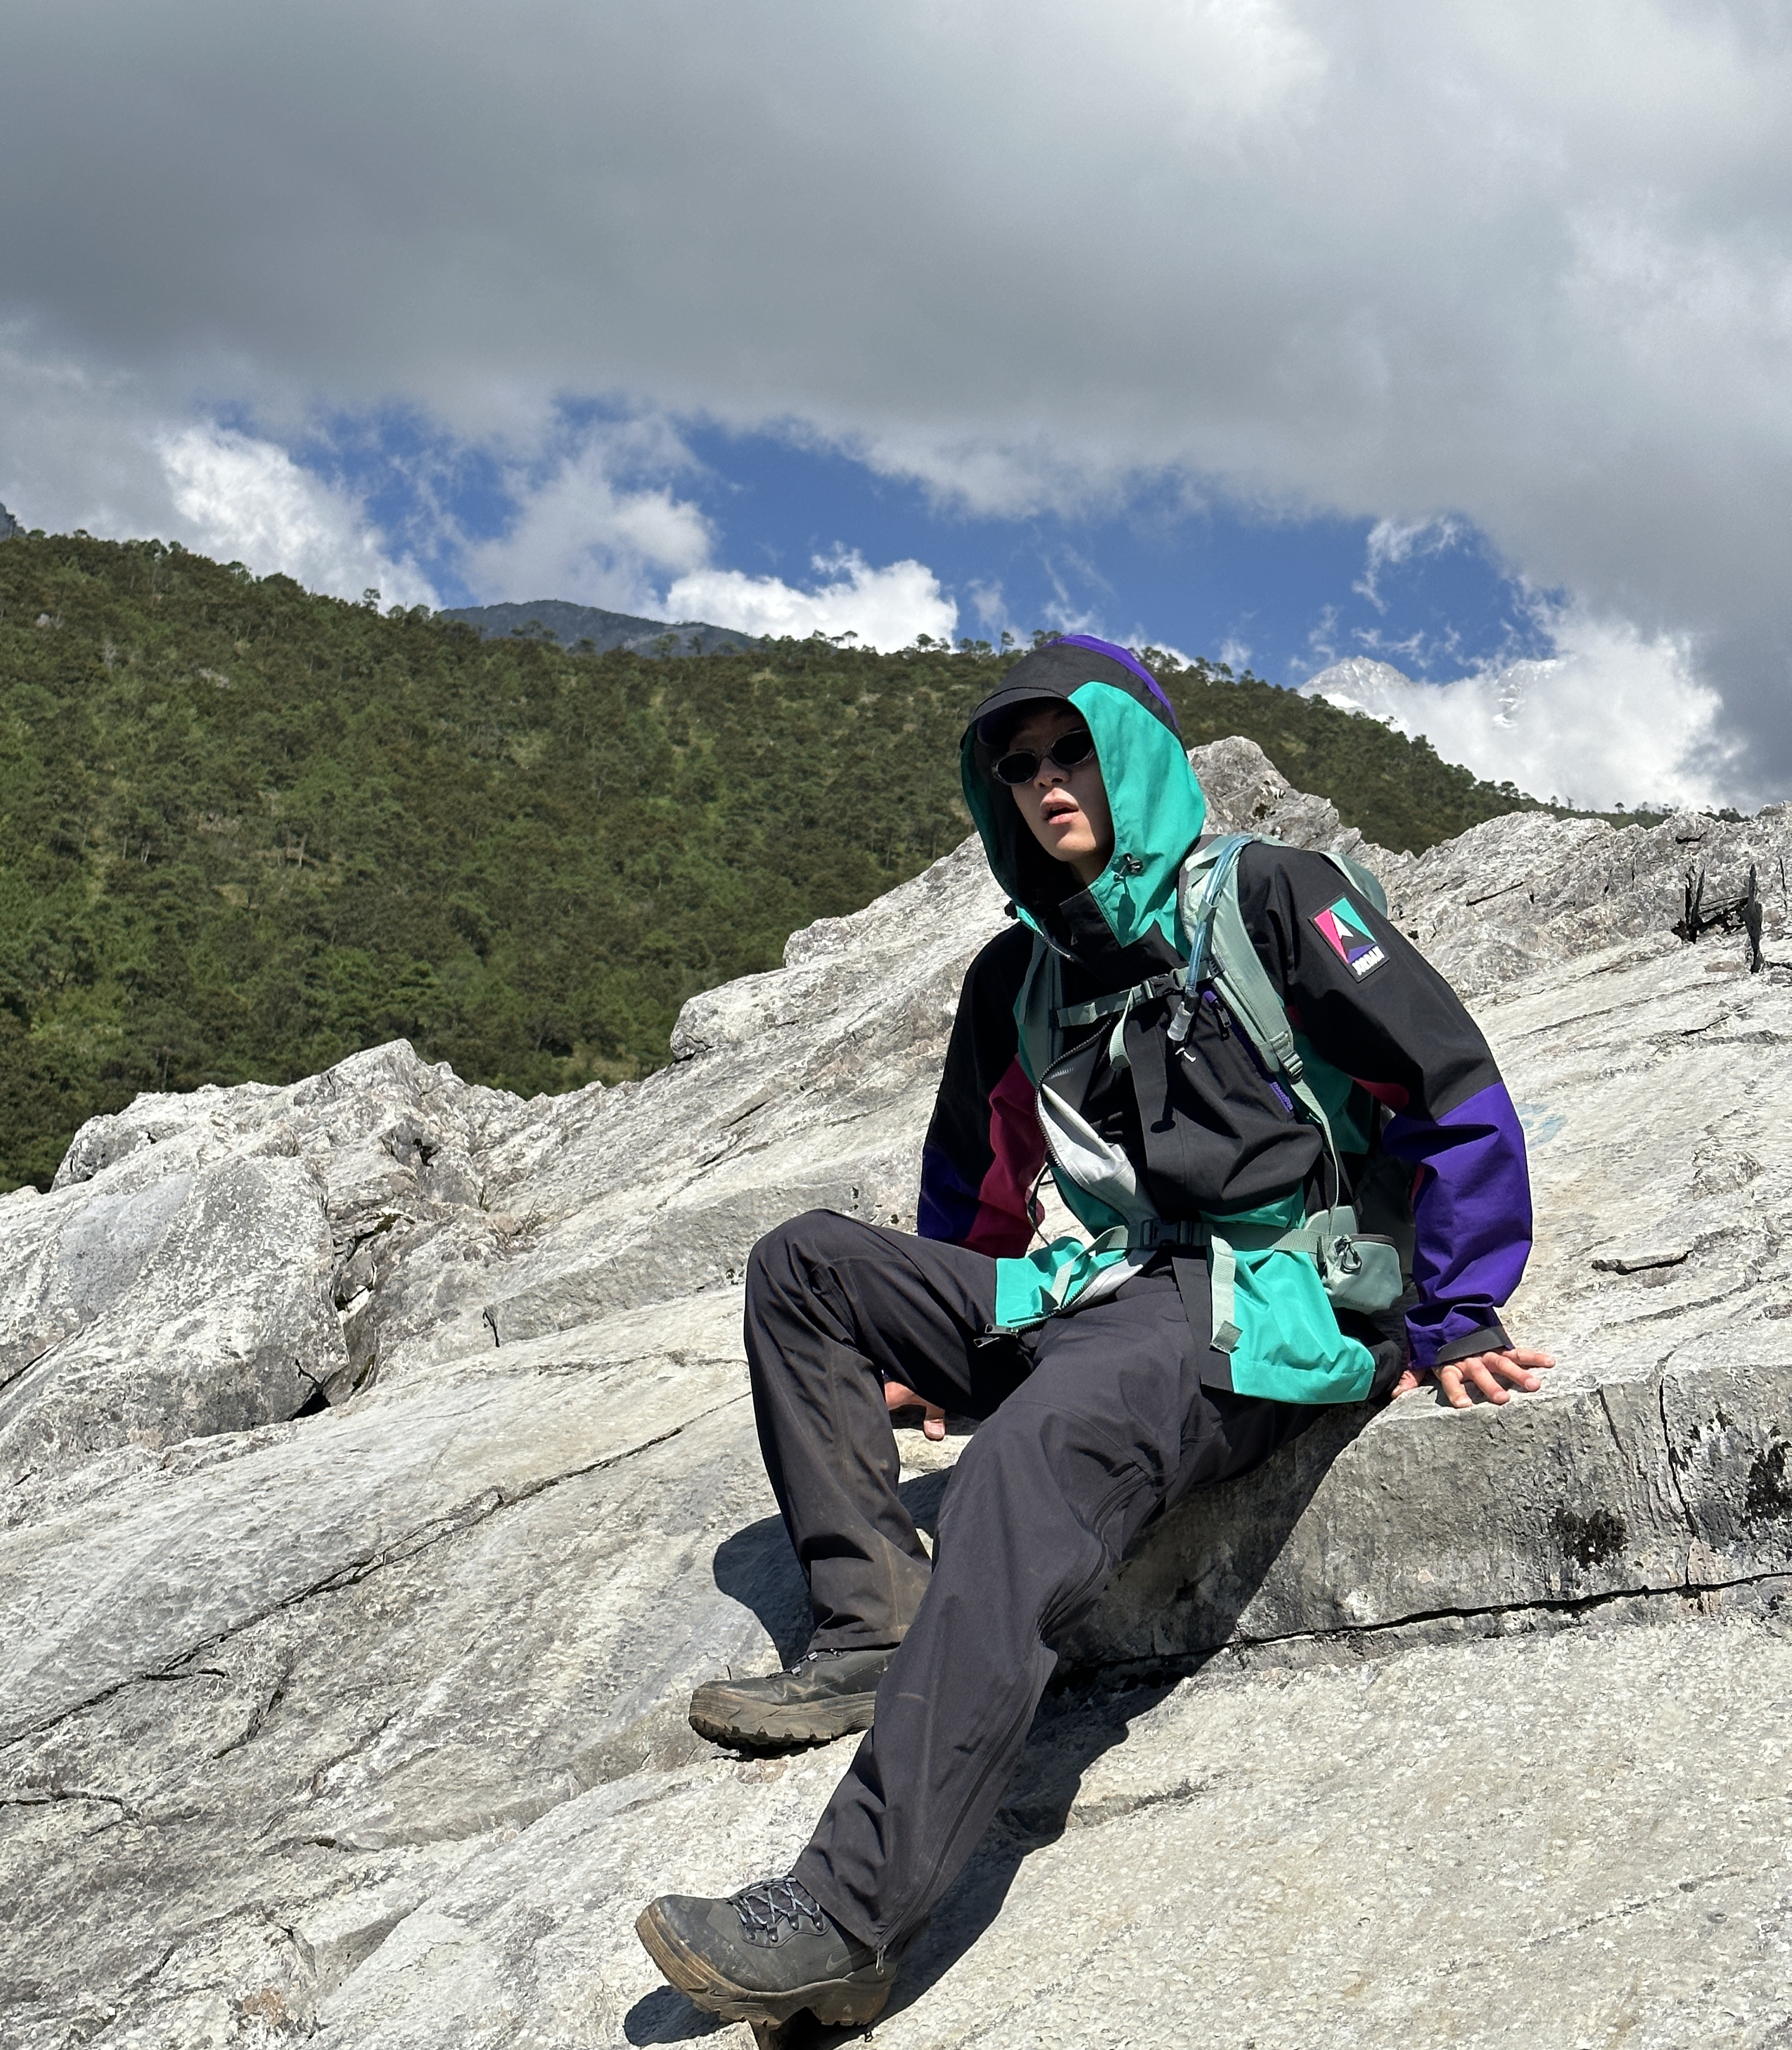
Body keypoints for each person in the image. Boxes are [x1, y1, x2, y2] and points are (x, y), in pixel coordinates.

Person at [636, 635, 1551, 2035]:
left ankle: (845, 1919)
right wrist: (932, 1341)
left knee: (1028, 1458)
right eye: (1019, 765)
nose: (1048, 780)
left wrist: (1457, 1302)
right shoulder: (1022, 970)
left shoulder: (1273, 894)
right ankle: (875, 1623)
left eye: (1073, 749)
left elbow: (1448, 1081)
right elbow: (976, 1178)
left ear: (1130, 752)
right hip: (1093, 1285)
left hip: (1251, 1297)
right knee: (804, 1266)